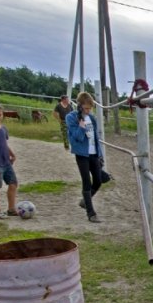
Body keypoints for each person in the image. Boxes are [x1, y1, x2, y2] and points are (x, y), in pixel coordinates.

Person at [65, 92, 104, 223]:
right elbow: (77, 137)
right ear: (80, 106)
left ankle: (85, 201)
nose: (88, 111)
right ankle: (91, 213)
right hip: (82, 154)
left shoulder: (92, 119)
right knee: (86, 181)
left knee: (98, 181)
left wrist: (100, 155)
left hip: (93, 153)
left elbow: (95, 138)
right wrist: (81, 126)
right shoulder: (71, 118)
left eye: (90, 108)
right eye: (86, 108)